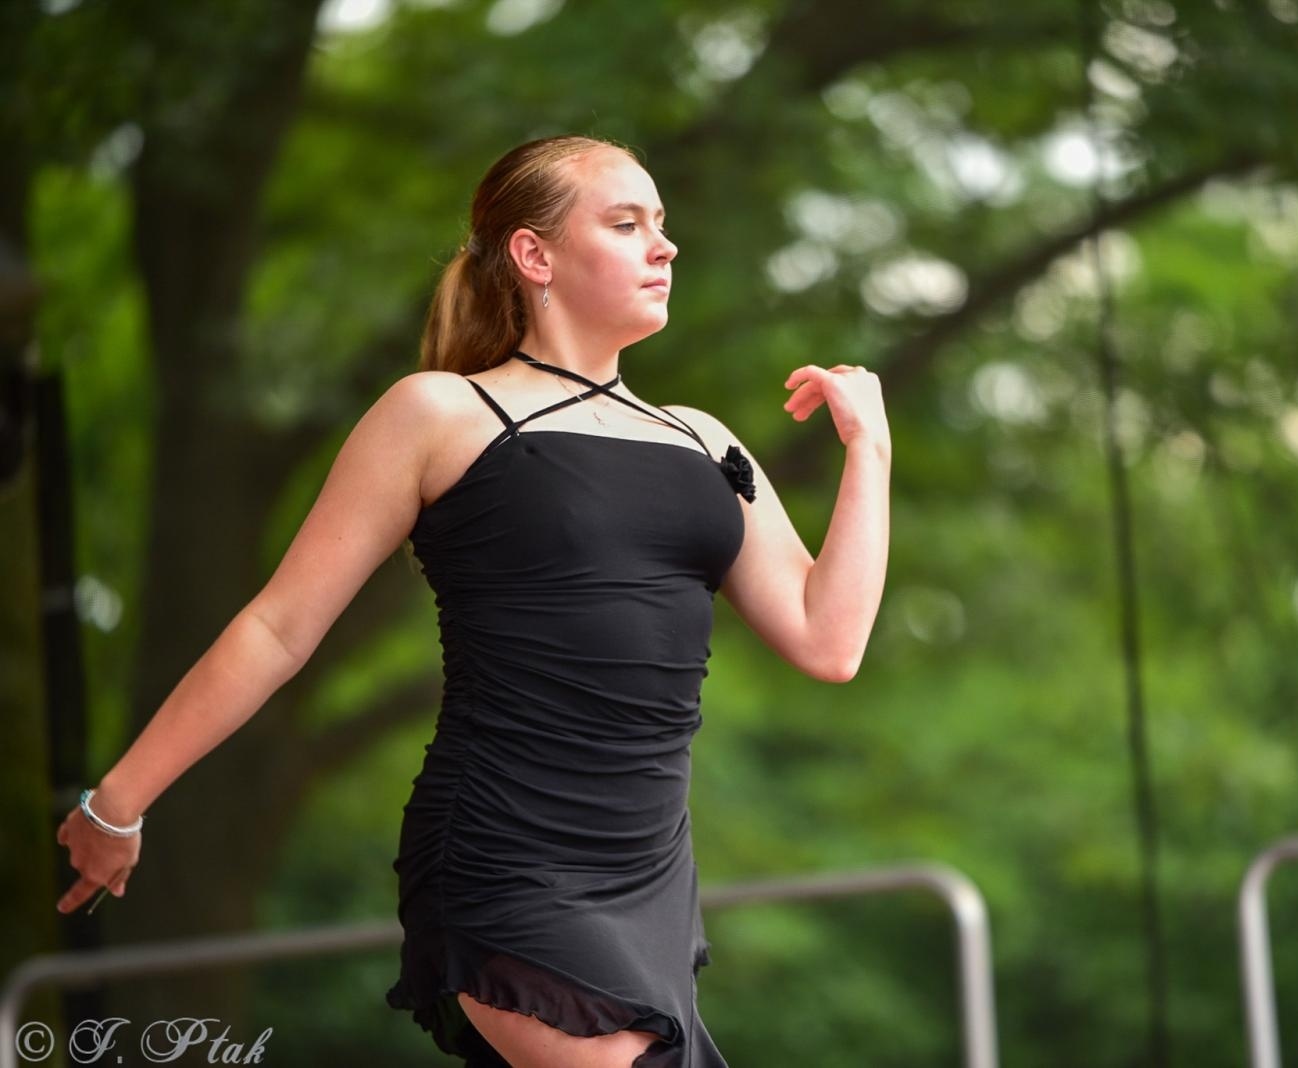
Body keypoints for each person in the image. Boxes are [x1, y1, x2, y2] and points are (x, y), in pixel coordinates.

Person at [53, 134, 891, 1067]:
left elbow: (830, 640)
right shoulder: (442, 413)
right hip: (511, 852)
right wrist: (117, 802)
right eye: (627, 223)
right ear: (535, 256)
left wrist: (871, 451)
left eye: (663, 225)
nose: (665, 247)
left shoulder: (702, 441)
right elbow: (279, 626)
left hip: (651, 877)